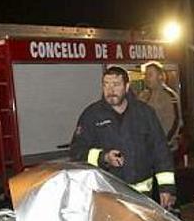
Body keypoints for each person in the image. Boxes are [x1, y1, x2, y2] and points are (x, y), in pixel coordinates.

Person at [69, 66, 176, 209]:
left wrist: (167, 188)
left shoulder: (144, 114)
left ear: (126, 87)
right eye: (106, 84)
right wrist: (104, 157)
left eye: (116, 84)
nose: (110, 90)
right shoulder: (91, 115)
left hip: (142, 197)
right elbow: (77, 152)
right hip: (107, 195)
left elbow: (160, 151)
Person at [142, 61, 184, 153]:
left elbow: (175, 122)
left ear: (160, 76)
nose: (146, 78)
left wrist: (164, 143)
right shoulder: (143, 96)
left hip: (164, 149)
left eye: (150, 74)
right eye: (145, 74)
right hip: (147, 148)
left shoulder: (169, 96)